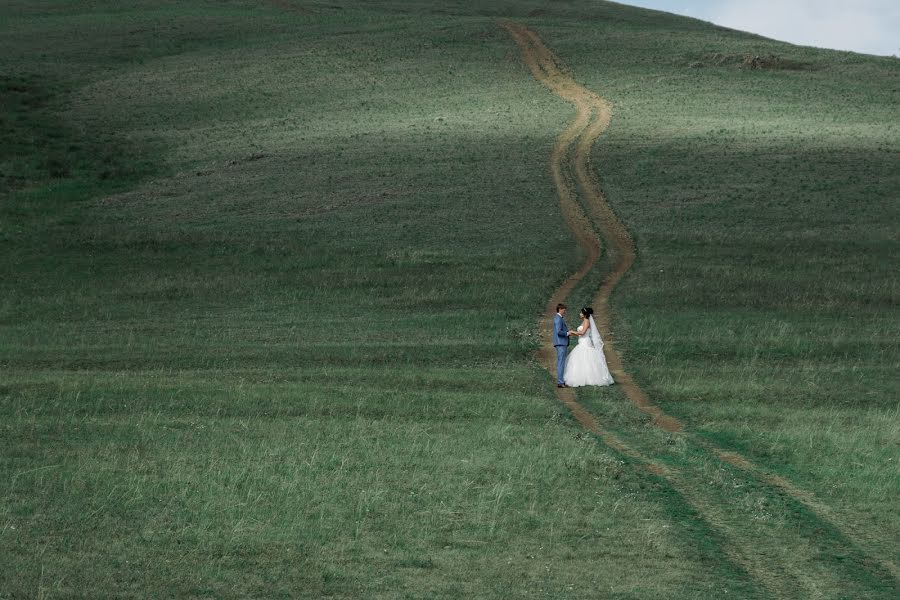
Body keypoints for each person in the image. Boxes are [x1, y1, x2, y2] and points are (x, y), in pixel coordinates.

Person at [564, 307, 614, 387]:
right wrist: (570, 333)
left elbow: (583, 332)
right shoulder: (584, 321)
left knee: (586, 358)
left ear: (584, 314)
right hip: (581, 341)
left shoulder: (587, 321)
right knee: (581, 359)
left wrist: (572, 331)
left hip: (585, 342)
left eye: (581, 313)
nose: (580, 314)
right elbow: (580, 332)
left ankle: (589, 378)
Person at [553, 303, 574, 388]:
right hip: (561, 343)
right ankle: (560, 382)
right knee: (561, 363)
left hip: (561, 343)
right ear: (560, 309)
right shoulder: (558, 319)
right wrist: (567, 333)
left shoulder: (558, 318)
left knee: (561, 362)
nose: (565, 311)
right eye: (564, 309)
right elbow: (558, 332)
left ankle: (561, 381)